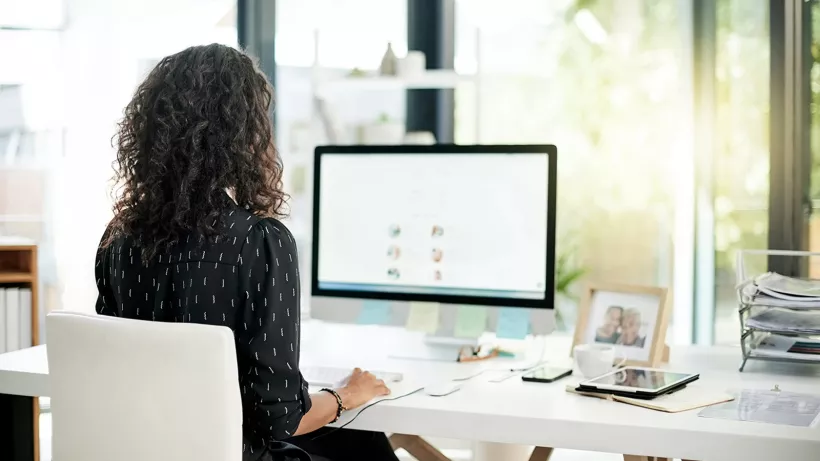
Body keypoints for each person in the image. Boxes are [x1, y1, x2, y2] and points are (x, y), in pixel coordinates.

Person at [94, 44, 399, 461]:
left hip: (148, 450)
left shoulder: (118, 239)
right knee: (367, 446)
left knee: (362, 443)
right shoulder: (260, 241)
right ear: (244, 134)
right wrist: (347, 394)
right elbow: (280, 421)